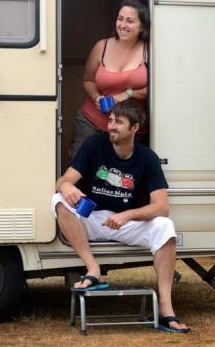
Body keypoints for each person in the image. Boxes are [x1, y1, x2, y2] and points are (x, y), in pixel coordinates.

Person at [52, 99, 189, 333]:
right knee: (57, 200)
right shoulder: (95, 144)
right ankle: (92, 269)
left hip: (125, 223)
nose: (111, 126)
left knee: (165, 226)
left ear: (135, 128)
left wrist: (127, 216)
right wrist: (66, 188)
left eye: (119, 122)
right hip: (92, 218)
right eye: (111, 120)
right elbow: (62, 181)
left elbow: (162, 206)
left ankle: (166, 309)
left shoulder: (147, 157)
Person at [70, 0, 149, 158]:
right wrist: (96, 97)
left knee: (120, 176)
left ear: (142, 27)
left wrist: (125, 95)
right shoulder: (102, 47)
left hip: (131, 127)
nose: (122, 25)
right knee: (80, 168)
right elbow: (88, 80)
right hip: (91, 121)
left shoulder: (150, 52)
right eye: (120, 19)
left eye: (130, 21)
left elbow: (157, 90)